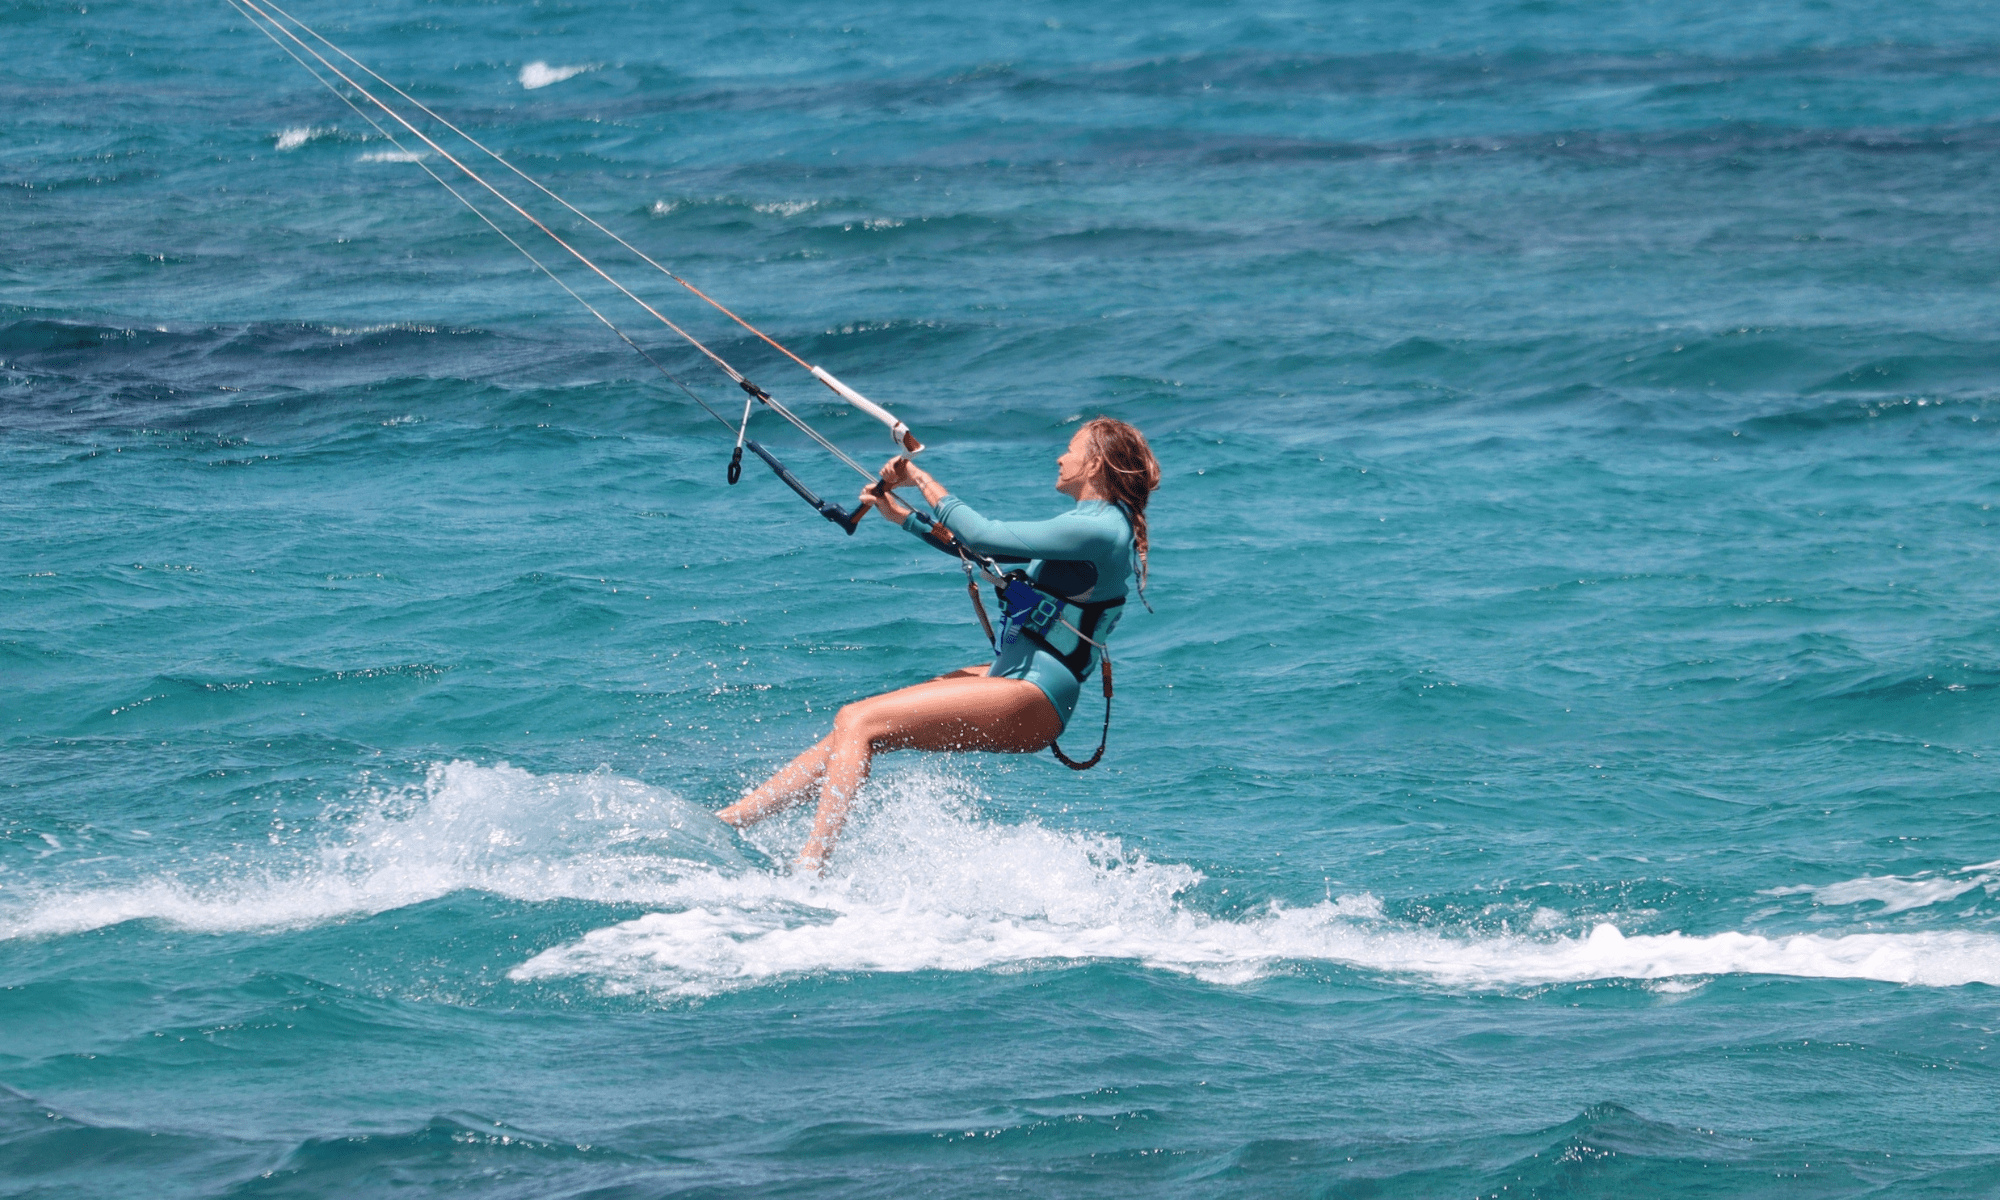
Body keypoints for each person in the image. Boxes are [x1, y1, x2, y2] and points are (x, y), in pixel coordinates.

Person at [717, 417, 1161, 872]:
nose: (1060, 457)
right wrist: (905, 518)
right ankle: (732, 822)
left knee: (858, 719)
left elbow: (984, 534)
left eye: (1070, 449)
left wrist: (920, 479)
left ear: (1096, 463)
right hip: (1018, 681)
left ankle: (812, 865)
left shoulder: (1104, 529)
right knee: (854, 730)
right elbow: (981, 552)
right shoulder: (1090, 527)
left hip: (1036, 694)